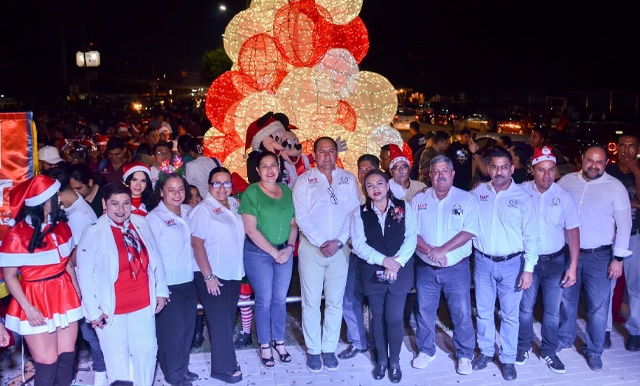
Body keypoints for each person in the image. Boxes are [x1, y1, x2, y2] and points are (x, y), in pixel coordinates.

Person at [76, 182, 169, 385]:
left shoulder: (141, 223)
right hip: (111, 309)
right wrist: (92, 311)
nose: (121, 209)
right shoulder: (93, 232)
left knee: (146, 351)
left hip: (143, 303)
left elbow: (156, 257)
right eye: (115, 204)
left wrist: (161, 290)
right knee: (116, 358)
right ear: (104, 204)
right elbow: (84, 274)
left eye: (126, 203)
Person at [0, 175, 83, 386]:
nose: (61, 200)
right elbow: (9, 276)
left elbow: (67, 264)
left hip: (65, 294)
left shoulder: (62, 226)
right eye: (55, 197)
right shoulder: (17, 234)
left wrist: (77, 290)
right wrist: (27, 308)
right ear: (42, 202)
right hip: (36, 298)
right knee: (47, 362)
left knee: (67, 357)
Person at [557, 144, 631, 371]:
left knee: (598, 307)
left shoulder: (615, 187)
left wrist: (618, 259)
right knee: (566, 300)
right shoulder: (566, 182)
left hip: (599, 257)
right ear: (582, 159)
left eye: (600, 162)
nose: (594, 166)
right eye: (591, 160)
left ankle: (594, 350)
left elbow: (624, 225)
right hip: (568, 255)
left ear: (606, 163)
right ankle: (565, 338)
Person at [470, 147, 538, 381]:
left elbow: (531, 236)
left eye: (504, 167)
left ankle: (508, 358)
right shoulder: (479, 192)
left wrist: (528, 270)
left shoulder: (523, 198)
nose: (499, 171)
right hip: (482, 262)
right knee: (484, 311)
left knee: (510, 315)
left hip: (512, 264)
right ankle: (487, 352)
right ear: (488, 168)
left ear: (512, 169)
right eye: (494, 167)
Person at [292, 137, 360, 372]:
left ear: (336, 153)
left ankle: (328, 348)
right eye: (322, 151)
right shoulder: (304, 180)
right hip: (312, 249)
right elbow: (301, 217)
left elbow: (354, 214)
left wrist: (339, 241)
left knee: (334, 302)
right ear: (315, 154)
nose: (327, 156)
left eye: (331, 151)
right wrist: (322, 242)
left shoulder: (348, 179)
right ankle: (313, 350)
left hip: (341, 250)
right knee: (310, 302)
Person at [410, 155, 478, 375]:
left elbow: (469, 231)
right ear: (430, 175)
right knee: (424, 311)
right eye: (435, 172)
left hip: (456, 269)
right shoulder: (419, 200)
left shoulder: (466, 199)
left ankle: (465, 354)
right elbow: (412, 232)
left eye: (444, 171)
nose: (439, 176)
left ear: (452, 174)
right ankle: (426, 350)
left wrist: (443, 251)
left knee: (461, 313)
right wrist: (430, 251)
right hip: (426, 268)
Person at [517, 146, 580, 374]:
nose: (546, 175)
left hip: (555, 262)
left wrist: (572, 265)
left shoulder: (563, 197)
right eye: (541, 169)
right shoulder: (521, 192)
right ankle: (523, 346)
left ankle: (548, 351)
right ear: (532, 170)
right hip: (528, 263)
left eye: (551, 170)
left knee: (552, 311)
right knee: (525, 309)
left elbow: (572, 232)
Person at [351, 169, 417, 383]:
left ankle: (395, 361)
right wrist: (383, 261)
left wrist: (395, 263)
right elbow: (359, 245)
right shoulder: (359, 213)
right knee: (377, 317)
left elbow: (411, 238)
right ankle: (381, 360)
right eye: (370, 186)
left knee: (395, 317)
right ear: (365, 190)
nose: (375, 189)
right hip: (373, 273)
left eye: (379, 184)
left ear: (388, 185)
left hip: (400, 271)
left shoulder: (404, 207)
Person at [239, 151, 298, 369]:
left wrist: (289, 247)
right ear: (257, 170)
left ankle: (279, 341)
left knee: (280, 299)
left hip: (285, 251)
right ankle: (264, 344)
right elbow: (250, 230)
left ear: (280, 167)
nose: (270, 170)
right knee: (264, 299)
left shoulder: (286, 191)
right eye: (264, 166)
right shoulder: (252, 192)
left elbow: (293, 224)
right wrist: (274, 253)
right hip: (259, 254)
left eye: (274, 165)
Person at [48, 167, 106, 384]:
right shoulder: (74, 210)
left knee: (91, 333)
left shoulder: (80, 216)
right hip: (76, 282)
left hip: (81, 283)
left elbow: (78, 257)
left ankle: (102, 372)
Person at [189, 167, 244, 384]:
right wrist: (208, 276)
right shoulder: (203, 210)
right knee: (220, 321)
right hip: (213, 274)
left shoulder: (236, 205)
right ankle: (224, 369)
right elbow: (196, 243)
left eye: (227, 183)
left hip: (233, 272)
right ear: (209, 186)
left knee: (227, 320)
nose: (222, 188)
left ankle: (225, 361)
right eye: (217, 183)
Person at [147, 173, 198, 386]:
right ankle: (173, 375)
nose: (177, 194)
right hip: (168, 284)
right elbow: (151, 256)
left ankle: (182, 368)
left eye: (180, 189)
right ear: (161, 192)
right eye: (171, 190)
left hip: (189, 279)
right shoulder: (154, 219)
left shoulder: (189, 212)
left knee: (187, 328)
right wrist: (159, 287)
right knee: (172, 332)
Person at [338, 154, 379, 361]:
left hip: (378, 258)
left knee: (376, 302)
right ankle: (358, 341)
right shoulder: (350, 191)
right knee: (349, 299)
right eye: (360, 170)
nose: (364, 173)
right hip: (355, 254)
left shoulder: (383, 192)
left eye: (368, 169)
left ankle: (378, 343)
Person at [605, 134, 640, 352]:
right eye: (622, 146)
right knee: (607, 285)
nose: (626, 150)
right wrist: (633, 203)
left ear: (637, 149)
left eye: (631, 146)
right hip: (611, 235)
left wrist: (636, 171)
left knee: (636, 287)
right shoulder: (609, 172)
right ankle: (605, 329)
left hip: (636, 235)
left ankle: (635, 331)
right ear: (616, 148)